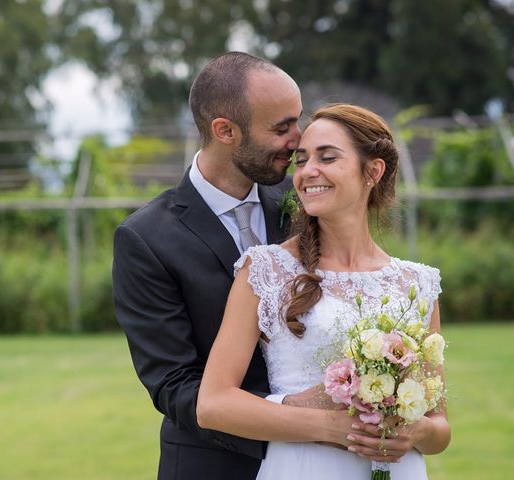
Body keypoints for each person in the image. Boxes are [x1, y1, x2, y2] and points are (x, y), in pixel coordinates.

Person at [197, 103, 451, 479]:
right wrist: (330, 427)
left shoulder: (417, 284)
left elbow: (439, 427)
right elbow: (213, 405)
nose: (307, 172)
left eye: (327, 157)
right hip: (304, 467)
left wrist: (416, 430)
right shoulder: (266, 270)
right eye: (301, 160)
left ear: (373, 171)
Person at [112, 52, 304, 479]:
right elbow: (175, 385)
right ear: (225, 131)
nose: (298, 139)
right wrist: (298, 422)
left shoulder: (304, 204)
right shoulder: (145, 239)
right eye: (281, 127)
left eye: (297, 120)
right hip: (214, 466)